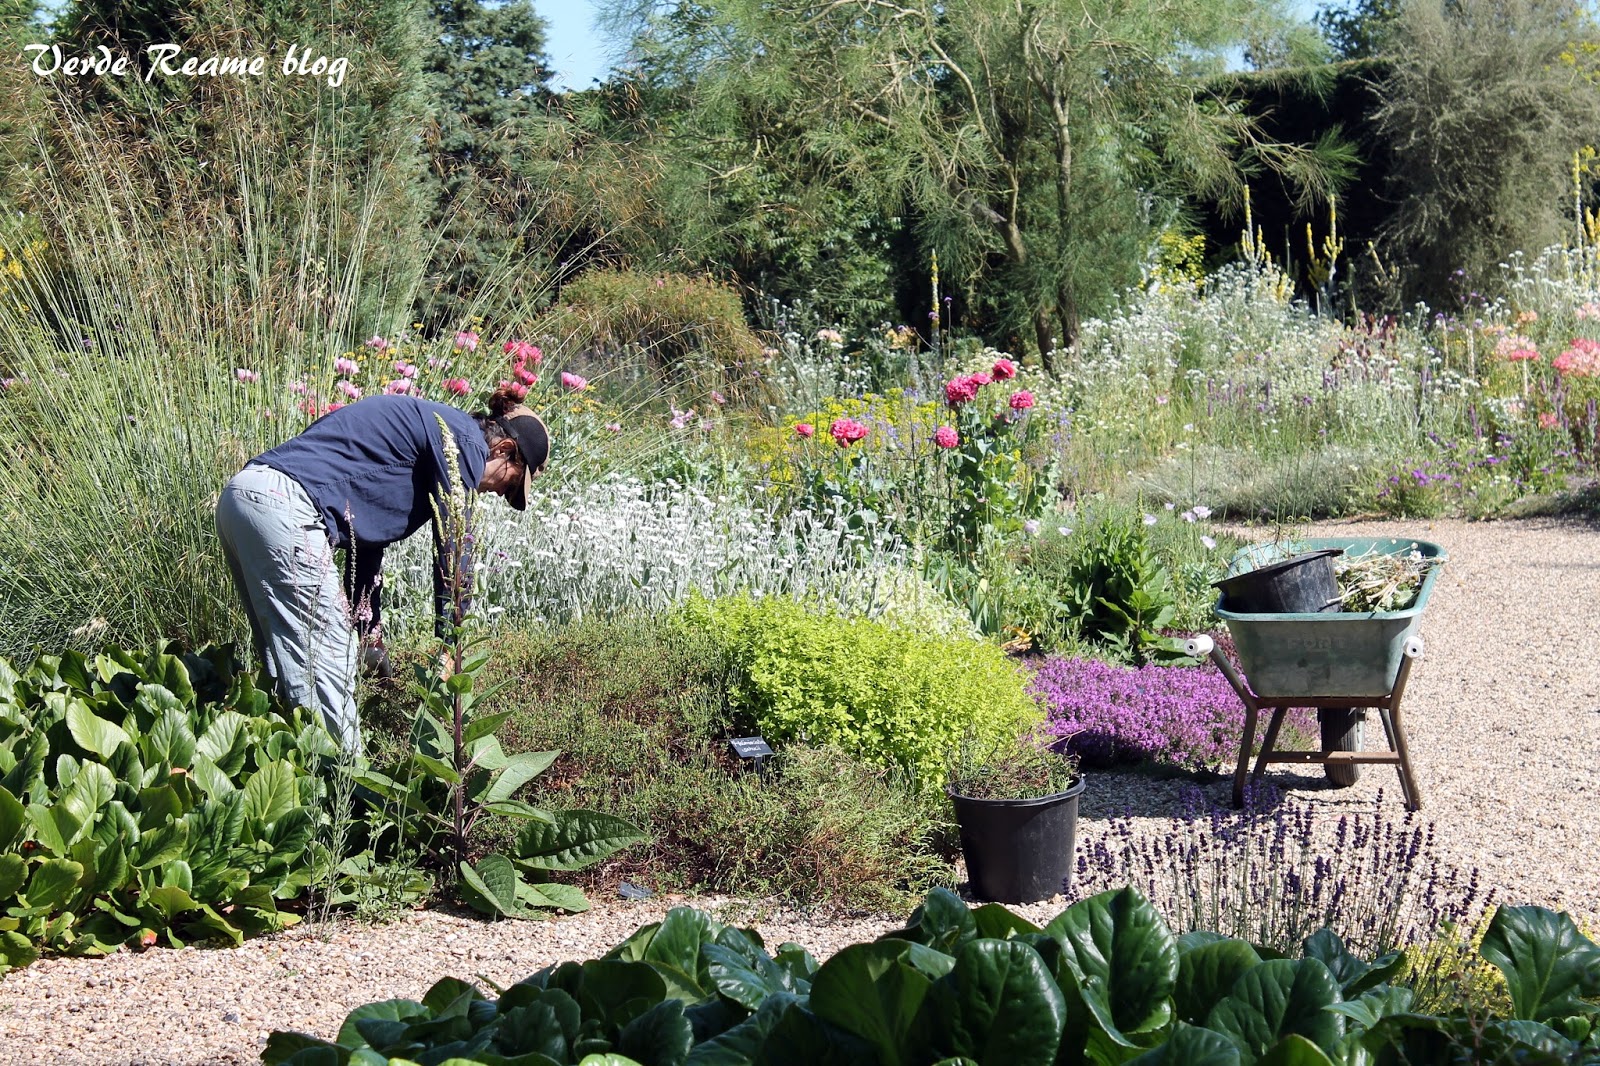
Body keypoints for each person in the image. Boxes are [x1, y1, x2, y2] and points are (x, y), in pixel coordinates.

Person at [215, 387, 549, 752]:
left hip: (244, 498)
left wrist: (368, 635)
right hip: (284, 508)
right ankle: (342, 790)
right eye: (512, 482)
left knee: (287, 665)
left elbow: (365, 545)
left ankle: (280, 774)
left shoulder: (429, 430)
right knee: (328, 662)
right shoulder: (461, 441)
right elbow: (455, 547)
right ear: (502, 451)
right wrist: (451, 645)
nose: (502, 494)